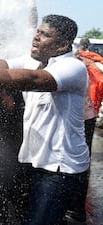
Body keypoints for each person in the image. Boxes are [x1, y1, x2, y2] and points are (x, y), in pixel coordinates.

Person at [0, 14, 90, 225]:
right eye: (37, 31)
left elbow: (33, 80)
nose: (36, 37)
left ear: (63, 45)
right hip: (33, 162)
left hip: (59, 170)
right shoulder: (33, 61)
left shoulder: (73, 68)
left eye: (45, 34)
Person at [64, 38, 103, 225]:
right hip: (88, 113)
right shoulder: (91, 62)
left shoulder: (83, 63)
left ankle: (75, 210)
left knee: (77, 161)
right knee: (80, 160)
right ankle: (75, 209)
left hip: (84, 116)